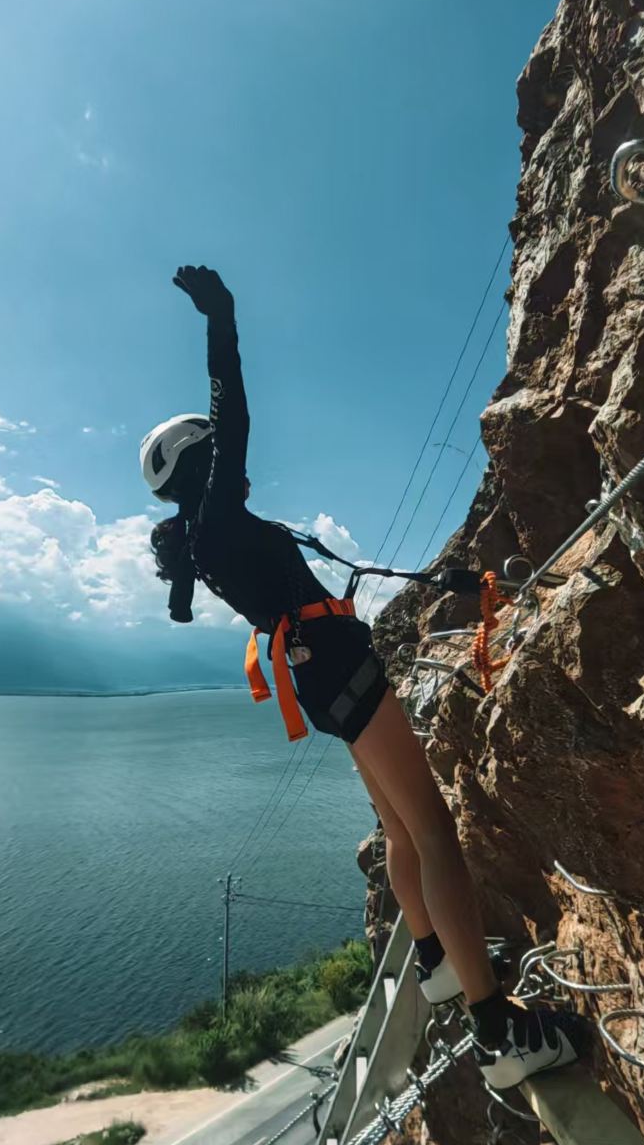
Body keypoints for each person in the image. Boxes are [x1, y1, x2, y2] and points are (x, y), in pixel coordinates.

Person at [140, 265, 579, 1089]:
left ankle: (435, 961)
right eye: (214, 453)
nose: (230, 458)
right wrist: (220, 317)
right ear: (200, 464)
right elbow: (234, 409)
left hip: (316, 676)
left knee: (401, 830)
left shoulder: (203, 538)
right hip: (339, 665)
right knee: (433, 831)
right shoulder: (219, 516)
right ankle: (497, 1034)